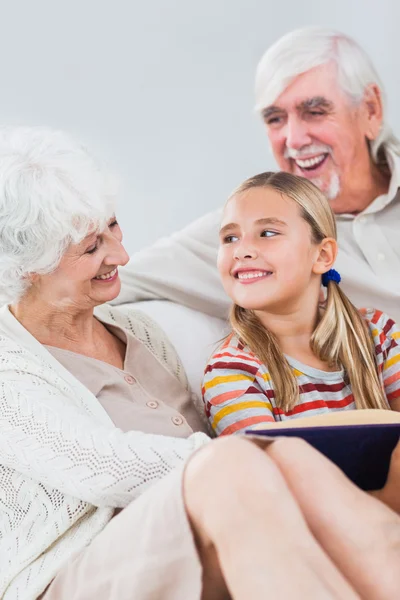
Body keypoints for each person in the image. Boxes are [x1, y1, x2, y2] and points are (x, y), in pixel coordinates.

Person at [1, 127, 400, 600]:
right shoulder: (11, 367)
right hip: (74, 574)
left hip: (192, 537)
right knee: (244, 458)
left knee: (274, 455)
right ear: (29, 265)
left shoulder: (139, 334)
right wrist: (245, 458)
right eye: (92, 248)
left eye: (113, 226)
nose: (121, 255)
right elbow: (103, 467)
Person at [113, 27, 400, 340]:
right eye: (275, 119)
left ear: (371, 110)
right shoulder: (243, 236)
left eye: (315, 112)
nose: (294, 139)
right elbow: (108, 285)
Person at [202, 171, 400, 438]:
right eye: (230, 238)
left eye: (268, 232)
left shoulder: (379, 335)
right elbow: (272, 471)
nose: (242, 250)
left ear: (322, 255)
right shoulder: (231, 373)